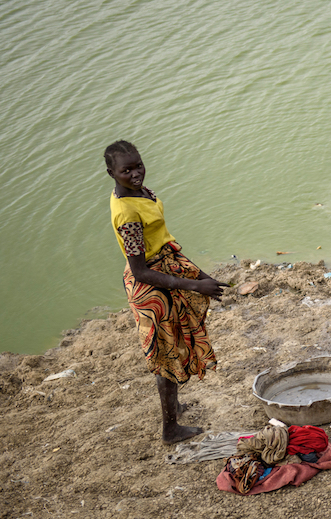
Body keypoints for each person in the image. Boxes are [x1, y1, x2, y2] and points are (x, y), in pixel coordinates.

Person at [104, 140, 228, 444]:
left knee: (173, 349)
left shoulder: (138, 192)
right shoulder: (127, 214)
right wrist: (196, 284)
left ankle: (173, 407)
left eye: (138, 165)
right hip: (152, 290)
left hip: (166, 270)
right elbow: (140, 271)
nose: (135, 173)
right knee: (166, 356)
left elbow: (161, 239)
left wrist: (198, 273)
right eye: (126, 170)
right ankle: (170, 429)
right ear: (111, 173)